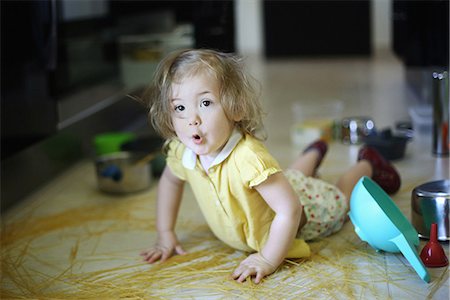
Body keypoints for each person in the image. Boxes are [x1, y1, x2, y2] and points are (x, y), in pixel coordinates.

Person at [139, 49, 401, 284]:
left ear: (235, 108)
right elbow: (171, 181)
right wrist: (165, 232)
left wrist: (266, 258)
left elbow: (291, 208)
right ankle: (312, 153)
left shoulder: (248, 158)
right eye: (180, 108)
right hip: (276, 190)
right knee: (290, 178)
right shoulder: (181, 151)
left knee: (341, 199)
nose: (192, 120)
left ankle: (368, 163)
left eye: (205, 103)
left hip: (304, 212)